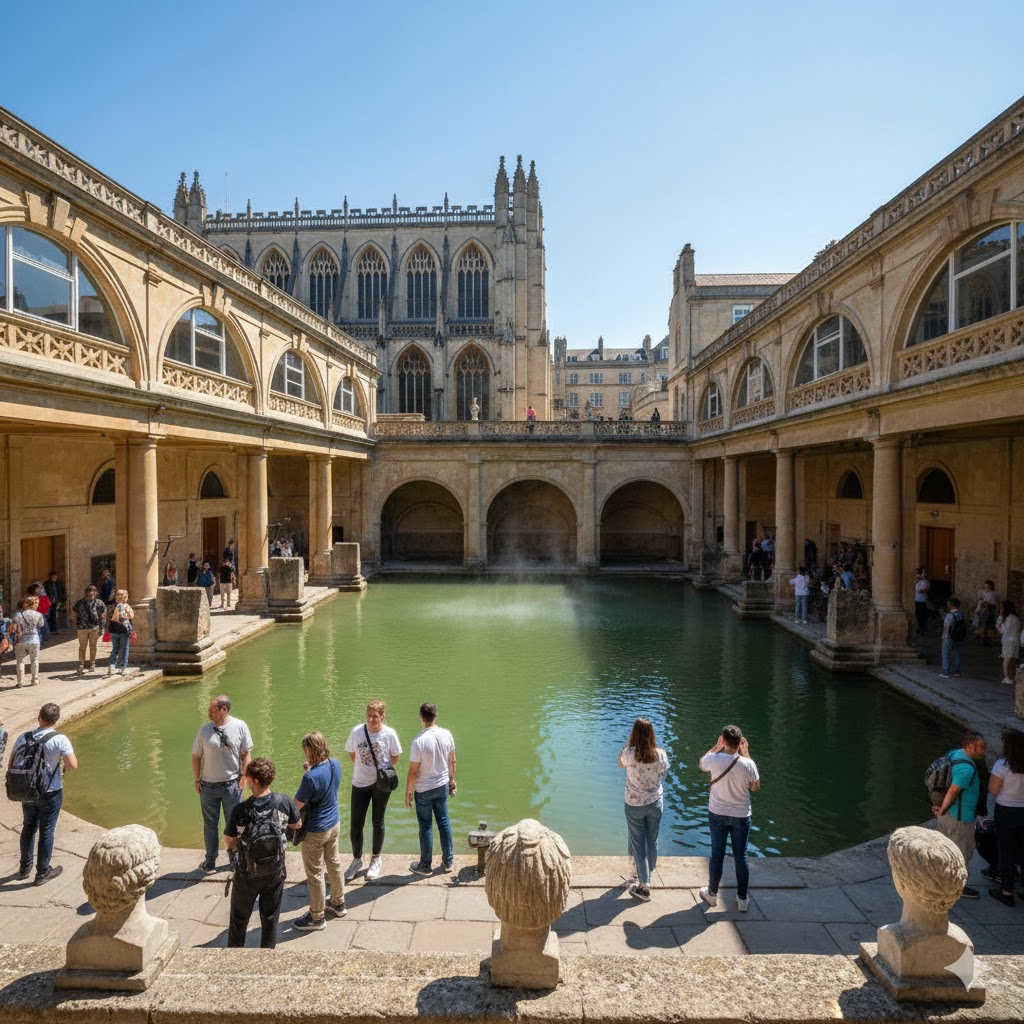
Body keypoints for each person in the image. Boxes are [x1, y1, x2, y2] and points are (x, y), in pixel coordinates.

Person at [223, 757, 300, 948]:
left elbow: (229, 841)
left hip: (246, 874)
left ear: (254, 781)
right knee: (270, 919)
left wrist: (232, 851)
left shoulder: (241, 810)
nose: (246, 779)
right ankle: (266, 956)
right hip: (274, 872)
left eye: (248, 776)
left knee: (239, 921)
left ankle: (234, 957)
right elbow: (297, 824)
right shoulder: (283, 801)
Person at [698, 724, 761, 912]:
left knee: (717, 853)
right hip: (741, 815)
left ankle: (712, 894)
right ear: (740, 742)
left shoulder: (715, 760)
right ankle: (742, 899)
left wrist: (716, 746)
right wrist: (747, 753)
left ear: (724, 740)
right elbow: (755, 787)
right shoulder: (748, 763)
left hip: (717, 813)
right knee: (741, 856)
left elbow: (701, 764)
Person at [14, 702, 77, 885]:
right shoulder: (60, 739)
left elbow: (13, 763)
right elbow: (73, 765)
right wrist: (63, 770)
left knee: (28, 827)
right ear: (56, 720)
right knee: (47, 830)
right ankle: (42, 872)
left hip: (28, 790)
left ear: (38, 717)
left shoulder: (23, 737)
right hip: (51, 790)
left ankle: (24, 867)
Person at [291, 732, 347, 930]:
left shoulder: (310, 778)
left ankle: (316, 916)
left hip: (316, 829)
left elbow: (296, 805)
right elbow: (323, 782)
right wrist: (311, 769)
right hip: (334, 823)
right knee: (334, 862)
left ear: (310, 750)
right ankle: (338, 903)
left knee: (315, 873)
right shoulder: (335, 764)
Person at [191, 694, 253, 872]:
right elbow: (196, 757)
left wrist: (244, 775)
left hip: (232, 785)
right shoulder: (204, 731)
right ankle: (210, 859)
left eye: (212, 710)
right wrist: (196, 779)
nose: (209, 712)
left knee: (234, 825)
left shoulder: (240, 726)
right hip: (208, 786)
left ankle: (235, 860)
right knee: (209, 824)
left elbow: (246, 754)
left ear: (223, 710)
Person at [344, 700, 403, 882]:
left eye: (375, 716)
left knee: (378, 821)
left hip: (381, 784)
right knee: (356, 824)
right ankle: (357, 859)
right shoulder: (357, 732)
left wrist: (381, 770)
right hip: (360, 782)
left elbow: (395, 756)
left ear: (383, 717)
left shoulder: (389, 734)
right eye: (369, 716)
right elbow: (352, 753)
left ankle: (376, 858)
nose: (371, 720)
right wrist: (364, 767)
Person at [617, 717, 669, 902]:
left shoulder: (630, 753)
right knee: (651, 840)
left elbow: (620, 762)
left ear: (634, 734)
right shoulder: (660, 754)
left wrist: (629, 743)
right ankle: (641, 873)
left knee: (638, 843)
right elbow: (663, 773)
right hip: (655, 802)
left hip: (634, 803)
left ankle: (644, 884)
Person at [932, 729, 987, 899]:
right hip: (960, 817)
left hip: (946, 816)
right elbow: (954, 790)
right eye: (981, 747)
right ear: (970, 746)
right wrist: (943, 808)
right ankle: (958, 888)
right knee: (962, 853)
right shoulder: (966, 768)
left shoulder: (954, 755)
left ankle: (941, 881)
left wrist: (939, 807)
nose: (984, 751)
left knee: (945, 849)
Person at [405, 702, 456, 875]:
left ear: (421, 717)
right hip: (441, 785)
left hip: (424, 789)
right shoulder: (447, 734)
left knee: (425, 826)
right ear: (436, 715)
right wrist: (452, 780)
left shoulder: (418, 741)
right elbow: (452, 761)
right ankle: (448, 861)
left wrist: (408, 792)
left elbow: (413, 771)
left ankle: (425, 865)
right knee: (444, 821)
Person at [988, 729, 1024, 906]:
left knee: (1006, 852)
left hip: (1007, 811)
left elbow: (993, 790)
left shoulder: (1002, 765)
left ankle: (1007, 892)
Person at [70, 584, 106, 675]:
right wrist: (76, 623)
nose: (92, 593)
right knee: (82, 647)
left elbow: (103, 616)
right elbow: (74, 613)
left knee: (93, 646)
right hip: (82, 628)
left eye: (94, 591)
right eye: (91, 591)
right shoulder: (80, 603)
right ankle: (81, 663)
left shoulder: (99, 603)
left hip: (94, 628)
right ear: (87, 592)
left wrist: (102, 627)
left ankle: (92, 663)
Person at [12, 596, 46, 687]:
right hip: (34, 640)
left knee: (20, 661)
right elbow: (41, 625)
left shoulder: (18, 615)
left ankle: (20, 682)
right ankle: (34, 680)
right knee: (34, 660)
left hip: (21, 641)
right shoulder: (38, 614)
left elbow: (14, 626)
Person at [106, 589, 134, 676]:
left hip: (113, 630)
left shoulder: (110, 607)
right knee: (124, 649)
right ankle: (123, 668)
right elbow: (131, 617)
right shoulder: (126, 606)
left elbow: (108, 619)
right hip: (124, 630)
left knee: (115, 649)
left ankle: (112, 667)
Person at [940, 596, 966, 678]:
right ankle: (956, 671)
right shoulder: (961, 614)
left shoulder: (949, 615)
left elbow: (946, 627)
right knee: (957, 653)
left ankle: (946, 671)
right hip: (958, 636)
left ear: (951, 604)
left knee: (946, 653)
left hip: (948, 636)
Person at [996, 600, 1020, 686]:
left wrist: (1000, 617)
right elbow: (1018, 629)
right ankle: (1011, 676)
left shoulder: (1007, 618)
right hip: (1015, 640)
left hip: (1008, 640)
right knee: (1012, 660)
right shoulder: (1015, 617)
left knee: (1006, 659)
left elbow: (1002, 630)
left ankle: (1007, 677)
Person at [974, 580, 999, 646]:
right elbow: (980, 599)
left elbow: (993, 603)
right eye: (985, 585)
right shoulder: (983, 592)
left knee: (986, 624)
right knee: (982, 623)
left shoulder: (993, 594)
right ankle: (982, 637)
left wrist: (985, 603)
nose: (986, 586)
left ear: (991, 586)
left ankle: (986, 638)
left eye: (988, 585)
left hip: (988, 610)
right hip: (983, 610)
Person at [914, 568, 930, 635]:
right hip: (917, 599)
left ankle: (923, 629)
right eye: (923, 573)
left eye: (924, 573)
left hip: (923, 601)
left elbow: (923, 590)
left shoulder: (926, 582)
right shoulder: (918, 581)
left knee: (923, 615)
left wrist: (918, 583)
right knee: (918, 615)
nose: (924, 574)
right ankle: (920, 628)